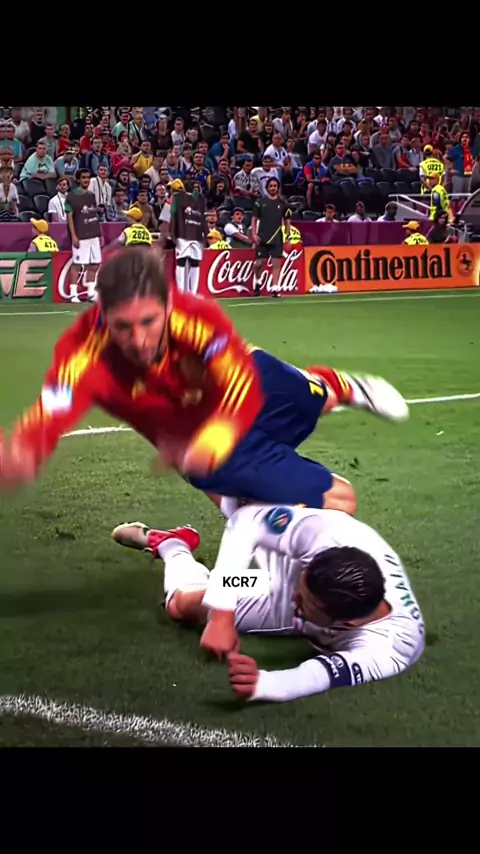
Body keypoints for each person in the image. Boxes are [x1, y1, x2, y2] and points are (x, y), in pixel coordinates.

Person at [0, 248, 407, 523]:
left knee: (317, 397)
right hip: (201, 440)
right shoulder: (84, 356)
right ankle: (242, 513)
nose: (139, 340)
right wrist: (23, 448)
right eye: (123, 327)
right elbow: (51, 410)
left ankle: (343, 386)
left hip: (247, 384)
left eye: (148, 322)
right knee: (340, 501)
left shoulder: (194, 317)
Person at [111, 502, 425, 694]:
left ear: (350, 622)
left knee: (197, 603)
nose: (294, 598)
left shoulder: (391, 646)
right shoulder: (333, 535)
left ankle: (177, 547)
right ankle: (173, 546)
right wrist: (221, 616)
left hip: (301, 603)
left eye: (304, 602)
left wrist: (267, 684)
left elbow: (319, 675)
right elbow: (249, 519)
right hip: (280, 583)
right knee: (181, 606)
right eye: (300, 591)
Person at [251, 176, 291, 297]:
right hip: (262, 236)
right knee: (258, 263)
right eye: (271, 186)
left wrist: (287, 237)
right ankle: (257, 282)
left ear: (278, 188)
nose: (273, 188)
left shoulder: (283, 203)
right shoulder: (260, 202)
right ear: (267, 188)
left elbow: (287, 220)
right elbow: (254, 218)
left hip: (277, 236)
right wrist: (254, 234)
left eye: (275, 186)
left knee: (276, 263)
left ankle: (275, 288)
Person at [170, 179, 207, 294]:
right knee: (181, 261)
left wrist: (205, 235)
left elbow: (203, 218)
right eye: (194, 186)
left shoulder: (201, 200)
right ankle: (181, 291)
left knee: (195, 262)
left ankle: (193, 292)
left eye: (198, 187)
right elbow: (173, 216)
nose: (196, 189)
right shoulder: (177, 198)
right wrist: (173, 234)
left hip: (196, 236)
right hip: (183, 235)